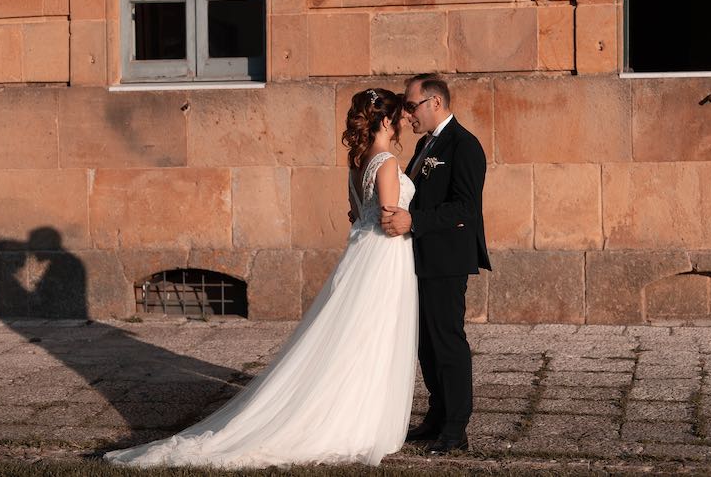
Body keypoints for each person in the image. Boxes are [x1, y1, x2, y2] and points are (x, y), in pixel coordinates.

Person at [104, 88, 418, 469]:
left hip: (361, 253)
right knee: (372, 335)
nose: (404, 121)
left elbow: (355, 214)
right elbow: (388, 220)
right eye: (400, 116)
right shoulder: (385, 162)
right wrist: (416, 225)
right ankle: (354, 420)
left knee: (357, 335)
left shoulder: (357, 163)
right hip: (382, 256)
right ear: (386, 120)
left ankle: (350, 410)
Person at [382, 74, 491, 455]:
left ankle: (456, 427)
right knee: (425, 343)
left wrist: (415, 222)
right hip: (419, 257)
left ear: (435, 103)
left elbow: (465, 208)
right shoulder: (424, 145)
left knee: (446, 341)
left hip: (446, 258)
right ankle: (437, 413)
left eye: (411, 106)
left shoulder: (465, 145)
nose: (407, 114)